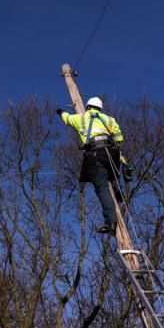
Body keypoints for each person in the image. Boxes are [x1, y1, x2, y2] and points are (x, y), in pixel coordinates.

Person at [57, 97, 124, 234]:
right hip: (112, 152)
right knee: (112, 173)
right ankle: (117, 188)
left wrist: (60, 111)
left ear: (87, 107)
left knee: (101, 187)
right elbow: (119, 138)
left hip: (95, 152)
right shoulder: (110, 120)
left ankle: (111, 222)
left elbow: (67, 119)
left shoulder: (81, 118)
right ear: (100, 108)